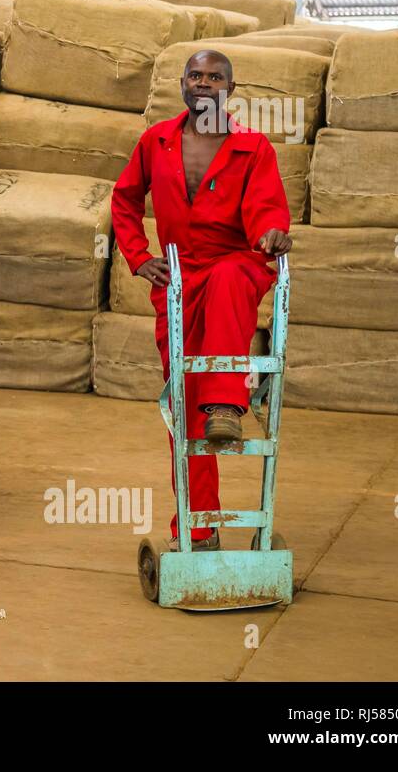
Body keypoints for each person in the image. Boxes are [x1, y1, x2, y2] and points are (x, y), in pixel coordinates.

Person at [111, 50, 292, 551]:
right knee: (182, 411)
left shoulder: (252, 148)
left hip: (232, 262)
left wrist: (272, 234)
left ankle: (226, 406)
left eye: (215, 77)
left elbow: (266, 208)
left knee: (234, 274)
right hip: (176, 279)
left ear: (230, 88)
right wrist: (138, 256)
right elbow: (124, 198)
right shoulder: (156, 141)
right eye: (196, 75)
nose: (204, 83)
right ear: (183, 84)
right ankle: (198, 527)